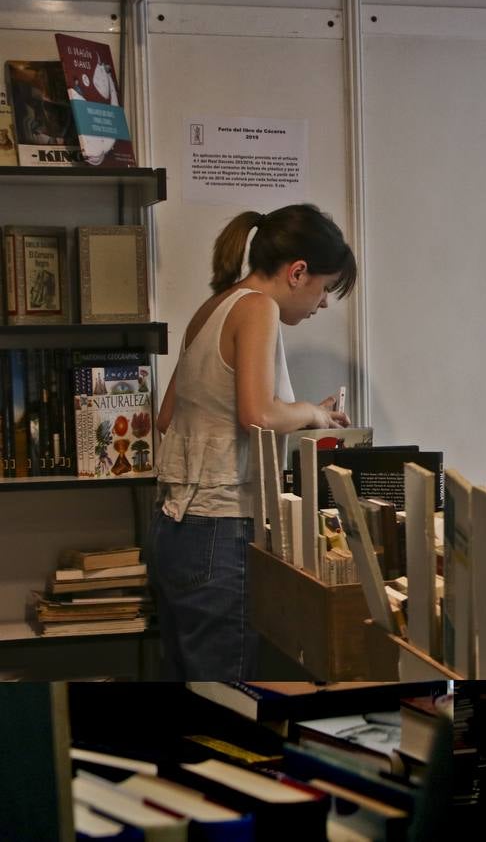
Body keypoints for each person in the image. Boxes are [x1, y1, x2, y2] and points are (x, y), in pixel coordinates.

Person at [147, 204, 357, 680]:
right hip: (220, 531)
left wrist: (302, 415)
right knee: (231, 699)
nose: (322, 304)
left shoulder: (213, 307)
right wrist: (311, 412)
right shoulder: (258, 307)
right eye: (324, 288)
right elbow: (256, 414)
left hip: (174, 529)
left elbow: (166, 417)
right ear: (298, 272)